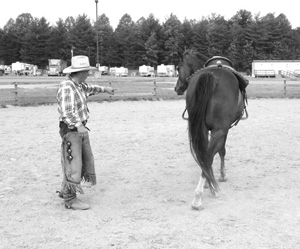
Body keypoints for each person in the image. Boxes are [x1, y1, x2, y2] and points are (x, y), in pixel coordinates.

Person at [56, 55, 115, 210]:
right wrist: (78, 125)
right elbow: (67, 111)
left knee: (77, 160)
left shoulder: (79, 85)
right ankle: (70, 199)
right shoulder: (67, 87)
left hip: (78, 127)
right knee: (74, 163)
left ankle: (65, 190)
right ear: (80, 72)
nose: (88, 74)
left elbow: (91, 88)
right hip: (72, 129)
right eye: (87, 71)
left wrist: (105, 89)